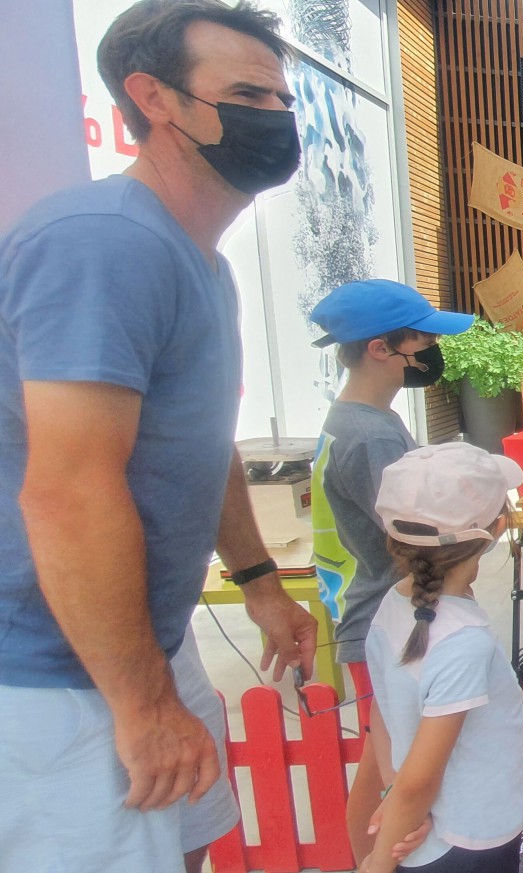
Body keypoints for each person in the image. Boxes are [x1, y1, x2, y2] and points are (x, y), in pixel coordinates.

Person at [0, 3, 320, 871]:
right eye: (248, 92)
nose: (277, 116)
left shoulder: (200, 264)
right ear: (157, 99)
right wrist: (139, 707)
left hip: (146, 640)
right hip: (54, 672)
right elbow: (66, 489)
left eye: (283, 96)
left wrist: (259, 580)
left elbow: (198, 439)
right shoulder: (102, 242)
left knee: (186, 846)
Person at [307, 278, 474, 859]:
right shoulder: (372, 435)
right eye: (422, 342)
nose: (431, 353)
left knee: (381, 767)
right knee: (388, 773)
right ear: (381, 348)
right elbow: (415, 534)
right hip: (382, 614)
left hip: (373, 610)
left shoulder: (355, 419)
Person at [360, 443, 523, 873]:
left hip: (424, 834)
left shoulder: (391, 607)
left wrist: (393, 798)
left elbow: (383, 711)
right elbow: (420, 781)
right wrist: (379, 863)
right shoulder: (463, 640)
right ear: (494, 530)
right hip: (471, 839)